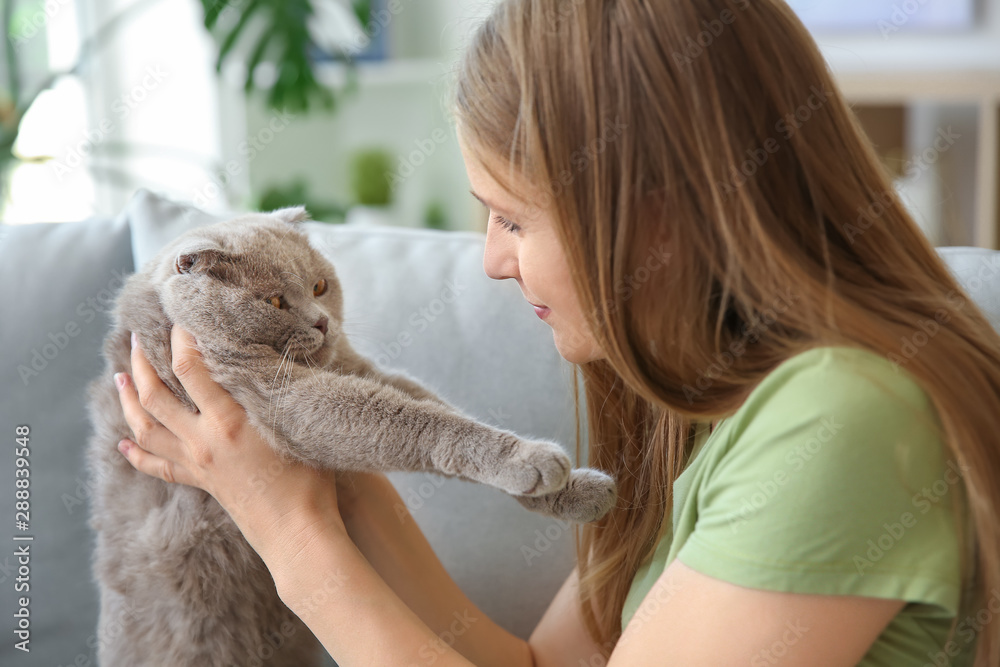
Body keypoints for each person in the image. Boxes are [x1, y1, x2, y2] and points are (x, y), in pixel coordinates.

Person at [111, 0, 1000, 664]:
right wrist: (329, 474)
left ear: (654, 211)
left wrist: (289, 534)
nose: (494, 261)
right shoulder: (707, 403)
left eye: (513, 220)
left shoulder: (845, 417)